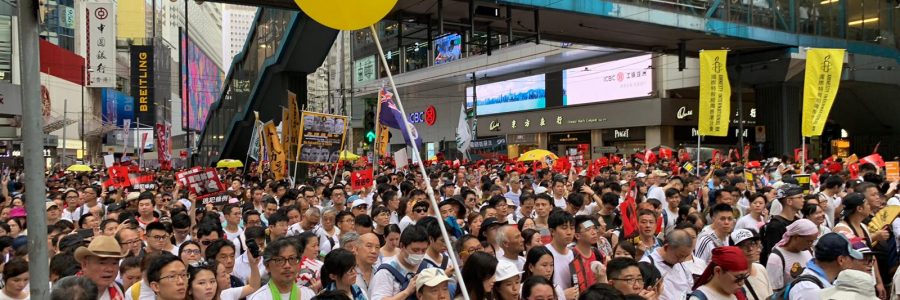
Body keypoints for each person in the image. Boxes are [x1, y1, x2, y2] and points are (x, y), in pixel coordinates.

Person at [788, 232, 861, 300]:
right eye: (851, 258)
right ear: (841, 260)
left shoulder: (830, 281)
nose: (853, 262)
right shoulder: (809, 289)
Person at [369, 225, 429, 300]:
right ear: (402, 246)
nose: (419, 254)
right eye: (415, 250)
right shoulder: (386, 272)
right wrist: (406, 292)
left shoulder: (427, 267)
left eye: (423, 250)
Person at [246, 238, 315, 300]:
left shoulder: (309, 294)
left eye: (292, 259)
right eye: (279, 260)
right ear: (267, 266)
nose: (287, 265)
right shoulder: (259, 298)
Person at [765, 219, 816, 291]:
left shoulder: (807, 251)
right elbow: (774, 290)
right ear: (796, 237)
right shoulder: (776, 258)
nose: (810, 244)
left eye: (812, 241)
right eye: (808, 241)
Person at [70, 235, 126, 300]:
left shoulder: (119, 288)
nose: (110, 269)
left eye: (115, 263)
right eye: (102, 263)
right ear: (84, 264)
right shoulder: (68, 292)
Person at [761, 184, 803, 264]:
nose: (803, 200)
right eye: (799, 197)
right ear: (789, 201)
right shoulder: (775, 225)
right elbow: (774, 254)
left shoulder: (797, 220)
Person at [730, 229, 773, 300]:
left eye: (752, 243)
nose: (750, 248)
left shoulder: (761, 268)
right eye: (743, 245)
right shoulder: (731, 278)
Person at [570, 215, 604, 292]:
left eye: (594, 228)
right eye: (588, 229)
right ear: (577, 235)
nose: (594, 232)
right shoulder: (571, 256)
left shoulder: (598, 254)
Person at [545, 211, 576, 293]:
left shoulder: (574, 254)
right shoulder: (544, 253)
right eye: (564, 228)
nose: (569, 232)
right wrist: (561, 296)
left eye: (572, 228)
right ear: (552, 231)